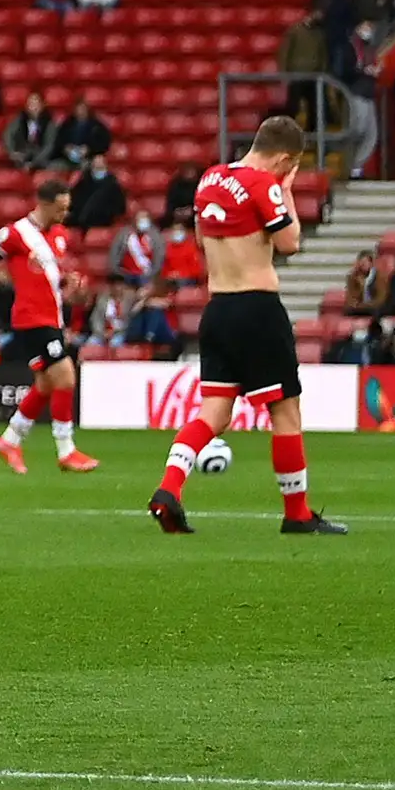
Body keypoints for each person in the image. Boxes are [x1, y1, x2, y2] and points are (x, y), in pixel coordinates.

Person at [150, 116, 345, 536]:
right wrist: (287, 191)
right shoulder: (264, 184)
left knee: (214, 413)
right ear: (285, 158)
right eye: (288, 167)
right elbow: (290, 243)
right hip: (256, 308)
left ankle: (169, 488)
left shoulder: (210, 180)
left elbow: (203, 241)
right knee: (286, 412)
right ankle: (296, 514)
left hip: (217, 307)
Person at [0, 171, 97, 477]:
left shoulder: (59, 236)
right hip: (32, 319)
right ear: (43, 204)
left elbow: (48, 277)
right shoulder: (15, 234)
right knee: (66, 377)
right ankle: (66, 450)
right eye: (60, 208)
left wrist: (69, 284)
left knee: (46, 384)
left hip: (52, 317)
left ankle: (10, 439)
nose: (64, 213)